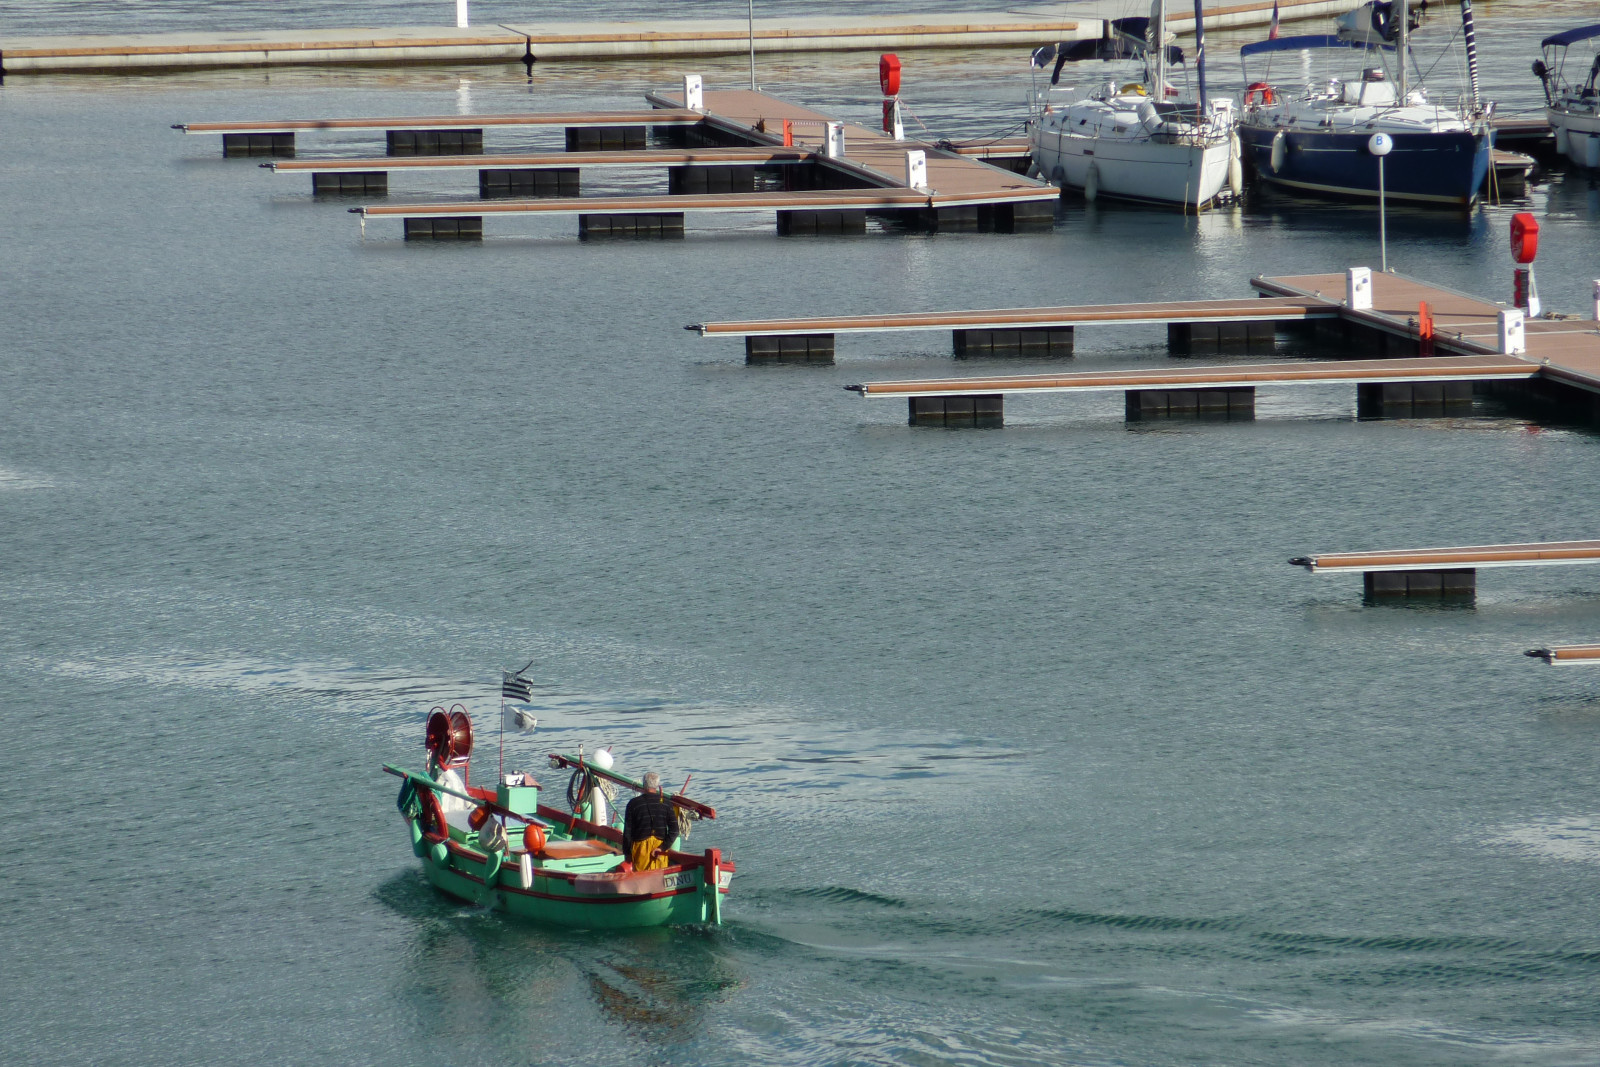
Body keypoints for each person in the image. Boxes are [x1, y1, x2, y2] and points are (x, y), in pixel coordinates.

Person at [621, 772, 678, 871]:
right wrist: (662, 848)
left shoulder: (633, 804)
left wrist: (627, 853)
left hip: (640, 849)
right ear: (657, 785)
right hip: (659, 850)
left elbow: (627, 832)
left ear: (644, 784)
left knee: (641, 880)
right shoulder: (666, 803)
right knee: (659, 879)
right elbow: (675, 830)